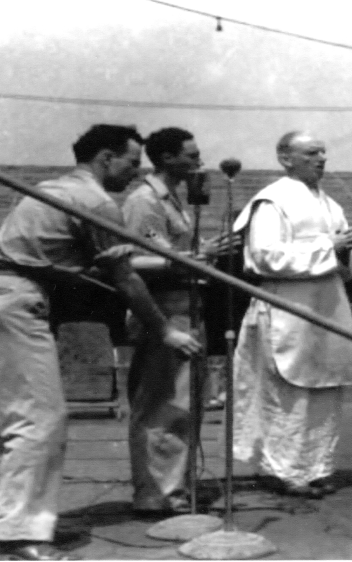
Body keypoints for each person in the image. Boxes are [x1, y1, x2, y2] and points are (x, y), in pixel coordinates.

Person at [0, 126, 200, 561]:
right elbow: (125, 279)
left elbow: (81, 266)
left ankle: (9, 523)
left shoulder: (51, 190)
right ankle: (22, 537)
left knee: (3, 425)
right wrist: (166, 330)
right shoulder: (95, 202)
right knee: (39, 421)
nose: (135, 173)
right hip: (14, 302)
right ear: (107, 158)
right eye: (131, 163)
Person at [230, 131, 352, 499]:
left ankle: (317, 467)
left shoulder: (330, 203)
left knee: (325, 387)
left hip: (327, 303)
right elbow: (265, 256)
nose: (321, 158)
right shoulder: (272, 201)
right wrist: (331, 246)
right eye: (311, 152)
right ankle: (283, 471)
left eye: (323, 152)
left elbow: (347, 259)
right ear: (285, 158)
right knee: (288, 391)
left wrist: (346, 249)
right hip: (287, 305)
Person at [121, 127, 229, 514]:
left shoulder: (174, 201)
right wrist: (187, 260)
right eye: (191, 154)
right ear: (167, 157)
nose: (198, 161)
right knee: (162, 405)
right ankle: (156, 495)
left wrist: (202, 253)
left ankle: (173, 487)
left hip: (186, 306)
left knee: (183, 405)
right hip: (162, 310)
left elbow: (173, 253)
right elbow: (131, 261)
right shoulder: (144, 201)